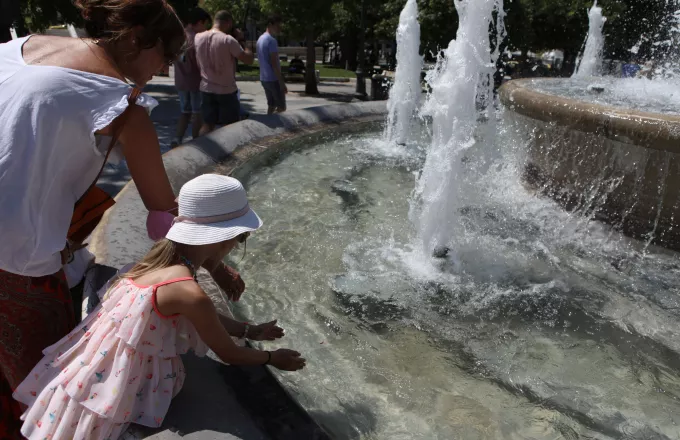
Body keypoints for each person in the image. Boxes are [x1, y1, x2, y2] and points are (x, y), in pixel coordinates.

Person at [0, 1, 246, 437]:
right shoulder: (120, 103)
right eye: (165, 57)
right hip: (16, 262)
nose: (163, 70)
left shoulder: (18, 48)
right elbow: (166, 216)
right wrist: (216, 265)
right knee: (47, 397)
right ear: (136, 37)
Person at [12, 174, 306, 439]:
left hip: (89, 370)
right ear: (224, 239)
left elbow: (201, 316)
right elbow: (228, 352)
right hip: (120, 386)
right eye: (241, 237)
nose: (237, 244)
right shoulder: (189, 292)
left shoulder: (156, 261)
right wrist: (272, 358)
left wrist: (250, 330)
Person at [195, 11, 254, 134]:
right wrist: (244, 41)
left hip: (206, 88)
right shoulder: (228, 40)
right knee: (230, 126)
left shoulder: (198, 37)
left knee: (207, 124)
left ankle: (205, 148)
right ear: (228, 23)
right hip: (226, 90)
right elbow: (248, 60)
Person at [173, 7, 211, 147]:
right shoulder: (196, 40)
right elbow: (200, 64)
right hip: (195, 82)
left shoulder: (180, 37)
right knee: (197, 113)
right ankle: (196, 141)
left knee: (184, 112)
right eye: (205, 24)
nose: (206, 28)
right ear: (199, 22)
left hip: (181, 82)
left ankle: (177, 138)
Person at [257, 15, 287, 114]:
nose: (279, 28)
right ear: (270, 25)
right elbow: (274, 64)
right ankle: (279, 127)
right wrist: (282, 83)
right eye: (278, 26)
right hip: (273, 79)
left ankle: (268, 125)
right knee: (281, 108)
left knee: (271, 105)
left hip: (264, 78)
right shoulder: (271, 41)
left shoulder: (260, 39)